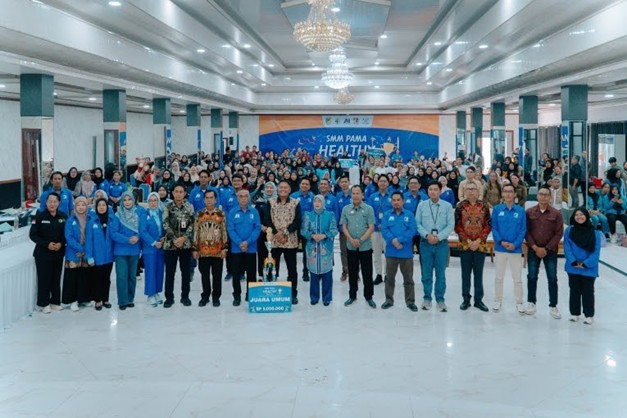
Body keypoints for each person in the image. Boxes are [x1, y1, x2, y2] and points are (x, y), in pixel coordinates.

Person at [524, 185, 564, 318]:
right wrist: (535, 247)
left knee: (552, 278)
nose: (543, 197)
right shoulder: (529, 212)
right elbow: (526, 231)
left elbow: (559, 233)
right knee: (532, 276)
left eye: (546, 195)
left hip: (550, 251)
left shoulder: (556, 214)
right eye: (541, 194)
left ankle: (553, 305)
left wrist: (546, 248)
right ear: (537, 196)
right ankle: (531, 302)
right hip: (533, 249)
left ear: (550, 197)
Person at [415, 181, 455, 312]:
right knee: (426, 274)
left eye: (435, 189)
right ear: (427, 191)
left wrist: (439, 237)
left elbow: (450, 225)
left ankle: (440, 299)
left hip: (441, 244)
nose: (433, 191)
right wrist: (427, 235)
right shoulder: (421, 205)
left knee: (440, 274)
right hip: (425, 243)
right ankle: (427, 298)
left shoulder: (447, 206)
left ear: (440, 191)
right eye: (430, 189)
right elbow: (417, 224)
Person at [454, 182, 491, 312]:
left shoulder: (484, 206)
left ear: (478, 191)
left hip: (480, 245)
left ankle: (478, 300)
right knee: (465, 274)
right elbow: (457, 225)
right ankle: (466, 299)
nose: (470, 191)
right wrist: (468, 241)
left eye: (473, 189)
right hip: (465, 245)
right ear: (464, 191)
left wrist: (479, 240)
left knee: (478, 274)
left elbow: (488, 225)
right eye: (468, 189)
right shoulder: (460, 206)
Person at [491, 183, 527, 313]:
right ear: (502, 194)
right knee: (499, 277)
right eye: (505, 191)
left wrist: (515, 244)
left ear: (515, 194)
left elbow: (523, 230)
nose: (508, 194)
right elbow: (494, 228)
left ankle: (519, 301)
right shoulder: (497, 209)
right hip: (500, 249)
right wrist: (501, 242)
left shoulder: (520, 211)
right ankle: (497, 300)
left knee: (517, 278)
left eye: (510, 191)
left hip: (515, 249)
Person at [30, 192, 67, 314]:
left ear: (59, 203)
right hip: (43, 254)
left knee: (56, 278)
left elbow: (67, 234)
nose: (52, 204)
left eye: (55, 202)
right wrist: (47, 244)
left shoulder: (63, 216)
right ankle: (43, 303)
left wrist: (61, 243)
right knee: (44, 278)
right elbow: (33, 235)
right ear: (46, 202)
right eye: (50, 201)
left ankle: (55, 302)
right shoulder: (39, 216)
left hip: (58, 252)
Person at [381, 191, 418, 311]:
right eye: (394, 200)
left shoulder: (409, 214)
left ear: (403, 201)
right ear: (391, 202)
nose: (396, 202)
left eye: (398, 200)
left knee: (408, 279)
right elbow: (384, 230)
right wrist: (393, 241)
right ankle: (388, 300)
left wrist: (400, 240)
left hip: (405, 252)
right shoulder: (387, 214)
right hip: (391, 252)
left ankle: (410, 301)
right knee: (389, 278)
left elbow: (412, 230)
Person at [266, 181, 302, 304]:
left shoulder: (295, 202)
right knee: (272, 268)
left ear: (290, 189)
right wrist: (277, 233)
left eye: (285, 187)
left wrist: (285, 232)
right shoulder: (270, 202)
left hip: (290, 241)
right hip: (275, 240)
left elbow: (297, 220)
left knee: (292, 269)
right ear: (277, 189)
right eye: (281, 187)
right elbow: (267, 219)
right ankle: (271, 292)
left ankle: (292, 294)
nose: (283, 189)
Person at [340, 185, 376, 308]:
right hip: (351, 246)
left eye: (358, 193)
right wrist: (351, 239)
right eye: (353, 193)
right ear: (351, 195)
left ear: (362, 195)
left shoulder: (369, 209)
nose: (355, 195)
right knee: (352, 272)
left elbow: (371, 227)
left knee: (367, 273)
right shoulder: (345, 209)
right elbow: (344, 227)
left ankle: (369, 296)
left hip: (365, 246)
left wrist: (360, 240)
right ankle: (352, 296)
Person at [564, 208, 602, 325]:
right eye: (576, 215)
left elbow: (596, 251)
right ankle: (574, 313)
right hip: (573, 267)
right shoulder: (569, 230)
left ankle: (589, 315)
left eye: (582, 214)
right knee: (574, 290)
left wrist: (586, 263)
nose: (579, 217)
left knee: (588, 291)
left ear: (586, 216)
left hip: (589, 268)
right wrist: (573, 262)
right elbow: (567, 247)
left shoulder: (595, 233)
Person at [301, 195, 338, 306]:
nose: (317, 203)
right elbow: (303, 230)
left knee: (327, 273)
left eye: (319, 201)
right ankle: (314, 297)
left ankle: (327, 298)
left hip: (326, 248)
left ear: (323, 203)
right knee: (313, 273)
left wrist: (324, 235)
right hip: (312, 248)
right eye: (315, 201)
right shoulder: (308, 215)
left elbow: (334, 230)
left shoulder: (330, 215)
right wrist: (312, 235)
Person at [162, 184, 196, 308]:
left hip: (185, 245)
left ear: (185, 194)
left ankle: (185, 297)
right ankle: (169, 298)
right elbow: (165, 224)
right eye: (176, 191)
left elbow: (192, 224)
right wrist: (175, 239)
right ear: (172, 193)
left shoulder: (189, 207)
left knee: (185, 272)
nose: (178, 194)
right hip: (170, 245)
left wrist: (183, 238)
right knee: (170, 272)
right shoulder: (167, 207)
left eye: (181, 191)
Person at [193, 190, 228, 307]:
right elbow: (196, 232)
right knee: (204, 275)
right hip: (203, 251)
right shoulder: (199, 214)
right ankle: (205, 296)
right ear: (204, 200)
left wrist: (224, 248)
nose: (209, 200)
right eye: (207, 198)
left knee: (217, 276)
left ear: (215, 199)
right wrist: (195, 248)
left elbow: (224, 232)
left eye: (211, 198)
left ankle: (216, 297)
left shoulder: (221, 214)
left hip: (217, 251)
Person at [227, 190, 261, 305]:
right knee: (236, 274)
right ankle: (237, 296)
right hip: (236, 249)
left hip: (251, 248)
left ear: (249, 198)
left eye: (246, 196)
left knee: (251, 274)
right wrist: (240, 243)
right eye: (240, 196)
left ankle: (250, 295)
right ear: (237, 198)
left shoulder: (254, 212)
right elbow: (231, 230)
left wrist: (248, 242)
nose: (243, 198)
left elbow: (257, 228)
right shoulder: (232, 212)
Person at [111, 192, 142, 310]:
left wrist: (138, 237)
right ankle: (123, 301)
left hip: (134, 250)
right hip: (121, 251)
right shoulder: (117, 215)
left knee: (132, 276)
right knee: (122, 276)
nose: (127, 202)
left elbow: (142, 229)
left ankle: (130, 299)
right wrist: (127, 240)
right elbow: (113, 233)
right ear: (121, 202)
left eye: (129, 199)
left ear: (133, 201)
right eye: (125, 200)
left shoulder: (138, 214)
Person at [61, 196, 91, 312]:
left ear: (86, 206)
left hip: (85, 252)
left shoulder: (89, 219)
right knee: (72, 277)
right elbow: (69, 237)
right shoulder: (70, 220)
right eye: (78, 205)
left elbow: (91, 235)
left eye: (83, 205)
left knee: (84, 276)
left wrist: (85, 249)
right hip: (73, 253)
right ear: (75, 207)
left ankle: (83, 299)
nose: (81, 207)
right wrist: (80, 248)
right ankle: (72, 300)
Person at [85, 197, 115, 310]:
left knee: (106, 279)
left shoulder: (111, 220)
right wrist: (89, 257)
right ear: (96, 207)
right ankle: (98, 300)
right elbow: (88, 241)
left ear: (107, 207)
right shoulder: (92, 221)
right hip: (97, 257)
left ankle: (105, 299)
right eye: (99, 205)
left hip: (109, 256)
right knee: (97, 279)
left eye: (104, 205)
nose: (101, 207)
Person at [139, 192, 165, 307]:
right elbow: (142, 231)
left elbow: (165, 228)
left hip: (161, 248)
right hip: (149, 248)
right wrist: (154, 242)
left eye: (155, 200)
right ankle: (150, 294)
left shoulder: (161, 213)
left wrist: (164, 238)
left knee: (159, 270)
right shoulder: (144, 215)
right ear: (147, 202)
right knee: (150, 271)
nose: (153, 203)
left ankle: (157, 292)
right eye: (151, 201)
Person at [367, 175, 392, 285]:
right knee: (376, 253)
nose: (382, 183)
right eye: (381, 181)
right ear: (378, 183)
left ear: (388, 183)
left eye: (385, 181)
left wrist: (385, 224)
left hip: (388, 230)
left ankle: (387, 274)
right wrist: (377, 223)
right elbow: (370, 212)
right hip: (375, 229)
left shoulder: (392, 196)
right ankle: (378, 274)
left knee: (388, 253)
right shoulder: (372, 197)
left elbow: (394, 211)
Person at [290, 177, 314, 282]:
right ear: (300, 185)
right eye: (303, 183)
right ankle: (292, 273)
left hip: (307, 228)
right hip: (295, 227)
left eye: (306, 184)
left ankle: (306, 272)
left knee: (306, 251)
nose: (304, 185)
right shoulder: (293, 196)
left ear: (309, 186)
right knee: (292, 252)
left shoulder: (312, 197)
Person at [255, 182, 277, 279]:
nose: (269, 189)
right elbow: (256, 217)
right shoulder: (259, 202)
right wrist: (261, 226)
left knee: (273, 254)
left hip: (274, 232)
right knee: (262, 253)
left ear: (274, 189)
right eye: (267, 187)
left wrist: (273, 228)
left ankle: (273, 275)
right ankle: (261, 275)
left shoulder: (277, 201)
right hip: (262, 232)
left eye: (271, 187)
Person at [335, 176, 352, 282]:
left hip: (354, 228)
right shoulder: (337, 196)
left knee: (354, 250)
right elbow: (337, 212)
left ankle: (355, 272)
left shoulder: (354, 194)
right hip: (343, 228)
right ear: (340, 183)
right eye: (342, 182)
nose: (344, 183)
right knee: (344, 251)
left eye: (346, 181)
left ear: (349, 182)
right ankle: (345, 271)